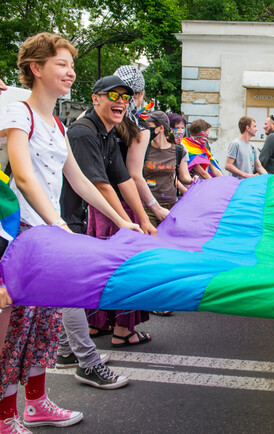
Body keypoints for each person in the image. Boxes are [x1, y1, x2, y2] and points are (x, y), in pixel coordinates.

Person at [0, 32, 140, 432]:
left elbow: (79, 182)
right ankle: (5, 416)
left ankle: (38, 402)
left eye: (71, 65)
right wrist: (57, 224)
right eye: (62, 64)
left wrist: (122, 218)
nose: (71, 71)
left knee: (45, 322)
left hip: (48, 236)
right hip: (22, 235)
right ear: (36, 69)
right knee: (18, 329)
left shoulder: (57, 123)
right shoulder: (18, 115)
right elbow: (25, 179)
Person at [63, 75, 155, 348]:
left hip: (85, 217)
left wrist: (141, 220)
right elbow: (101, 185)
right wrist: (125, 222)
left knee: (89, 281)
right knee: (74, 291)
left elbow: (123, 177)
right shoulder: (83, 132)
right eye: (113, 96)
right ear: (95, 98)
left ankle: (78, 350)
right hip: (69, 220)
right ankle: (72, 352)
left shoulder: (109, 132)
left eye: (125, 97)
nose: (121, 102)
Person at [114, 65, 170, 227]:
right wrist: (156, 207)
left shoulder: (99, 121)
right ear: (139, 93)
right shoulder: (138, 128)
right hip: (127, 203)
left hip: (99, 204)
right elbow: (134, 175)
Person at [144, 110, 194, 226]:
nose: (147, 130)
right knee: (149, 241)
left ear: (160, 128)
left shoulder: (178, 150)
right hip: (148, 206)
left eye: (150, 127)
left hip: (172, 206)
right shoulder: (144, 149)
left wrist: (192, 180)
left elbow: (183, 177)